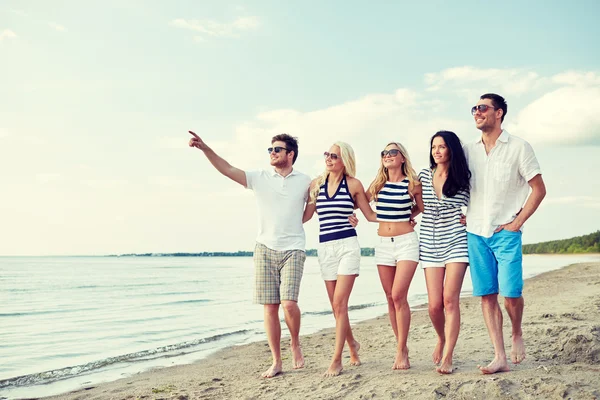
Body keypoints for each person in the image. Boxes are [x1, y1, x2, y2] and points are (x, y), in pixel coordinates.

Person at [188, 131, 312, 378]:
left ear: (291, 154)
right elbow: (227, 168)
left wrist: (349, 216)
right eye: (270, 149)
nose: (272, 153)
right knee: (270, 308)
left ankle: (295, 342)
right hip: (264, 247)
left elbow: (318, 206)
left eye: (277, 149)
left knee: (289, 303)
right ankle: (277, 361)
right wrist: (205, 149)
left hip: (294, 247)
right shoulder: (259, 177)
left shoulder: (306, 181)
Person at [464, 93, 546, 374]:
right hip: (475, 233)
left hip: (506, 232)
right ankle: (499, 356)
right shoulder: (467, 150)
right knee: (487, 295)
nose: (477, 112)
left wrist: (517, 222)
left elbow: (539, 189)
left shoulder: (519, 147)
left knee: (511, 294)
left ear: (498, 113)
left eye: (483, 108)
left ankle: (516, 332)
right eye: (474, 108)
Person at [302, 142, 377, 377]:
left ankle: (337, 360)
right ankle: (353, 345)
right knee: (336, 307)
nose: (329, 158)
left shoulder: (353, 185)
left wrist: (406, 217)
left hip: (348, 247)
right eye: (327, 154)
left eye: (334, 155)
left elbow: (370, 215)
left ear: (344, 160)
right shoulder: (316, 185)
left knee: (339, 304)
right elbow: (305, 215)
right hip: (325, 248)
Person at [417, 130, 471, 374]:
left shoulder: (464, 176)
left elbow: (480, 201)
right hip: (429, 240)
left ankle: (449, 354)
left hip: (456, 239)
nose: (436, 151)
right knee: (434, 305)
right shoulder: (422, 176)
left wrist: (469, 217)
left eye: (441, 146)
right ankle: (441, 337)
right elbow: (411, 205)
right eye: (433, 147)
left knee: (450, 300)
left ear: (452, 149)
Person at [367, 142, 423, 370]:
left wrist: (406, 217)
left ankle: (401, 350)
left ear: (402, 158)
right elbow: (360, 205)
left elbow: (421, 207)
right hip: (382, 245)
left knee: (399, 295)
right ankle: (402, 346)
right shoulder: (377, 186)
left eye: (392, 152)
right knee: (390, 297)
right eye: (384, 153)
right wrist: (353, 218)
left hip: (406, 243)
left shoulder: (413, 183)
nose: (387, 156)